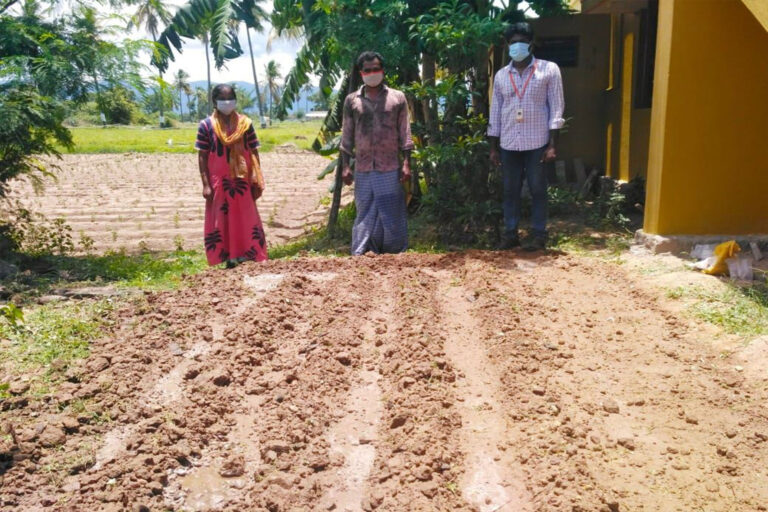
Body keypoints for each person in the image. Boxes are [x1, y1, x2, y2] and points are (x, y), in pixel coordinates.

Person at [488, 22, 565, 251]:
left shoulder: (548, 70)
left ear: (531, 44)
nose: (517, 46)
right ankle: (510, 235)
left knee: (538, 190)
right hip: (509, 144)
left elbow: (557, 108)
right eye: (512, 42)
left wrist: (552, 145)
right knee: (510, 191)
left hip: (537, 144)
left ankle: (539, 236)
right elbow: (495, 111)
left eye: (521, 41)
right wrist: (493, 147)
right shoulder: (502, 75)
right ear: (507, 45)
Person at [340, 51, 414, 255]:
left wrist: (407, 163)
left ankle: (393, 250)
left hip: (390, 165)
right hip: (363, 167)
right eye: (368, 70)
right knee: (364, 211)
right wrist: (346, 166)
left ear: (382, 70)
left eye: (376, 69)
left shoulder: (397, 98)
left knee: (391, 211)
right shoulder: (351, 101)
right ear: (361, 72)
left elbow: (405, 132)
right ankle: (363, 251)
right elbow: (346, 135)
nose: (372, 73)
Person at [195, 84, 268, 267]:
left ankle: (247, 255)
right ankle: (229, 258)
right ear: (215, 102)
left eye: (230, 99)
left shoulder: (246, 124)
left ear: (235, 100)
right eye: (223, 99)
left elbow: (253, 151)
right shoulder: (206, 126)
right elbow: (202, 157)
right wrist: (206, 184)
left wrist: (255, 177)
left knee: (245, 217)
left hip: (241, 181)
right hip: (219, 182)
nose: (227, 103)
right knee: (222, 220)